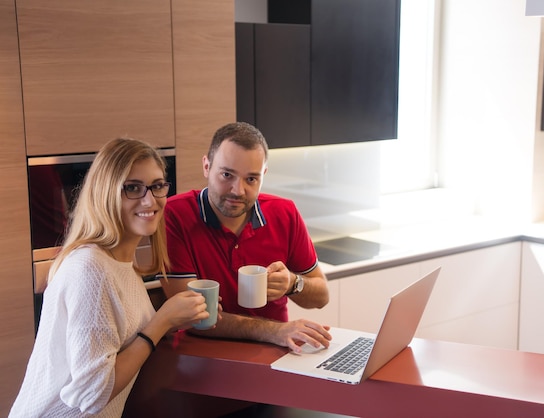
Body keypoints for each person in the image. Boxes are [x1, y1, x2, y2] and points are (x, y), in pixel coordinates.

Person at [9, 138, 211, 417]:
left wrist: (175, 320)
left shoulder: (120, 264)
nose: (150, 200)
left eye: (157, 186)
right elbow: (92, 394)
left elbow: (125, 340)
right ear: (105, 193)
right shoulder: (91, 269)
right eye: (132, 188)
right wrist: (162, 320)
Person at [160, 122, 332, 353]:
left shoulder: (285, 213)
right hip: (203, 358)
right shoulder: (174, 214)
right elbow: (191, 318)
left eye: (251, 179)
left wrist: (292, 283)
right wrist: (274, 331)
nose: (237, 190)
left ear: (263, 176)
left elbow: (321, 297)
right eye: (227, 175)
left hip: (275, 352)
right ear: (206, 166)